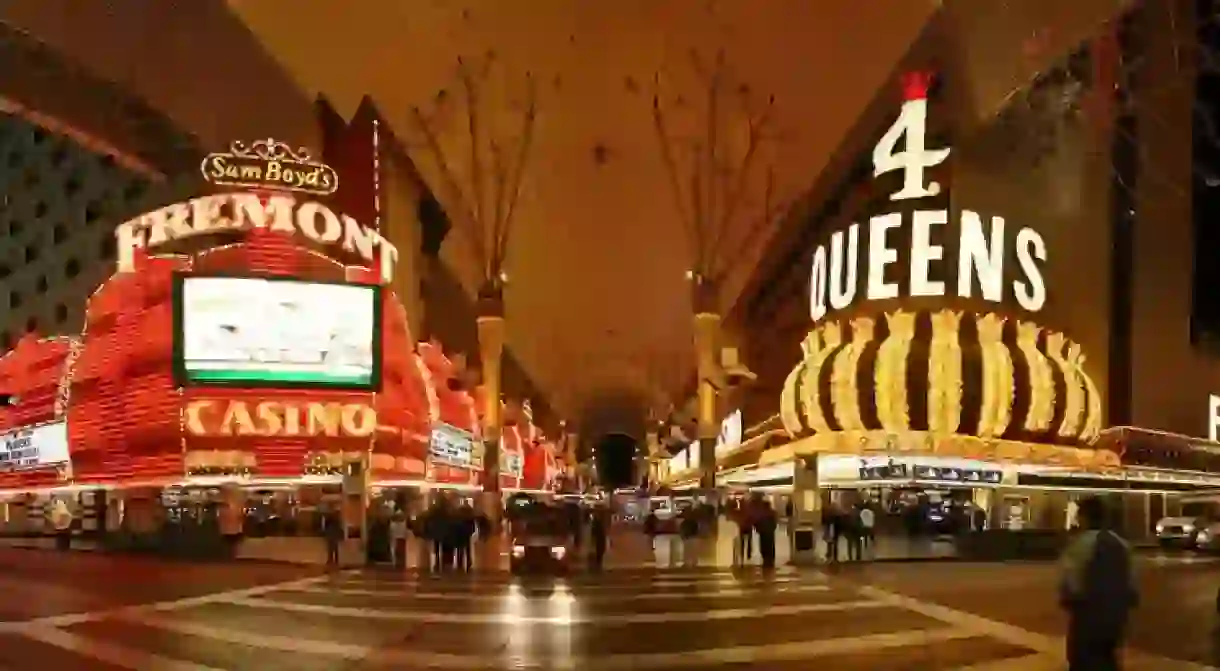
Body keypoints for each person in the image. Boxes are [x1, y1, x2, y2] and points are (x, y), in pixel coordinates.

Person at [1058, 496, 1137, 670]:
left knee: (1082, 661)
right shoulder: (1122, 544)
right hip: (1116, 619)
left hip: (1088, 619)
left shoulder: (1080, 544)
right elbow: (1132, 585)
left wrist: (1069, 601)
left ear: (1085, 517)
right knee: (1109, 660)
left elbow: (1071, 582)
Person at [756, 501, 778, 569]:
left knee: (764, 545)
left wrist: (758, 529)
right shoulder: (772, 512)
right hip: (769, 532)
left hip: (763, 532)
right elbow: (775, 522)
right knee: (770, 545)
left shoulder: (761, 513)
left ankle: (766, 559)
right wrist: (773, 528)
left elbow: (758, 522)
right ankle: (770, 559)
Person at [590, 505, 609, 570]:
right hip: (599, 538)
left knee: (599, 552)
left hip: (599, 538)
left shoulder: (597, 519)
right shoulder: (598, 520)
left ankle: (597, 565)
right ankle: (597, 565)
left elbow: (594, 530)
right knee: (599, 552)